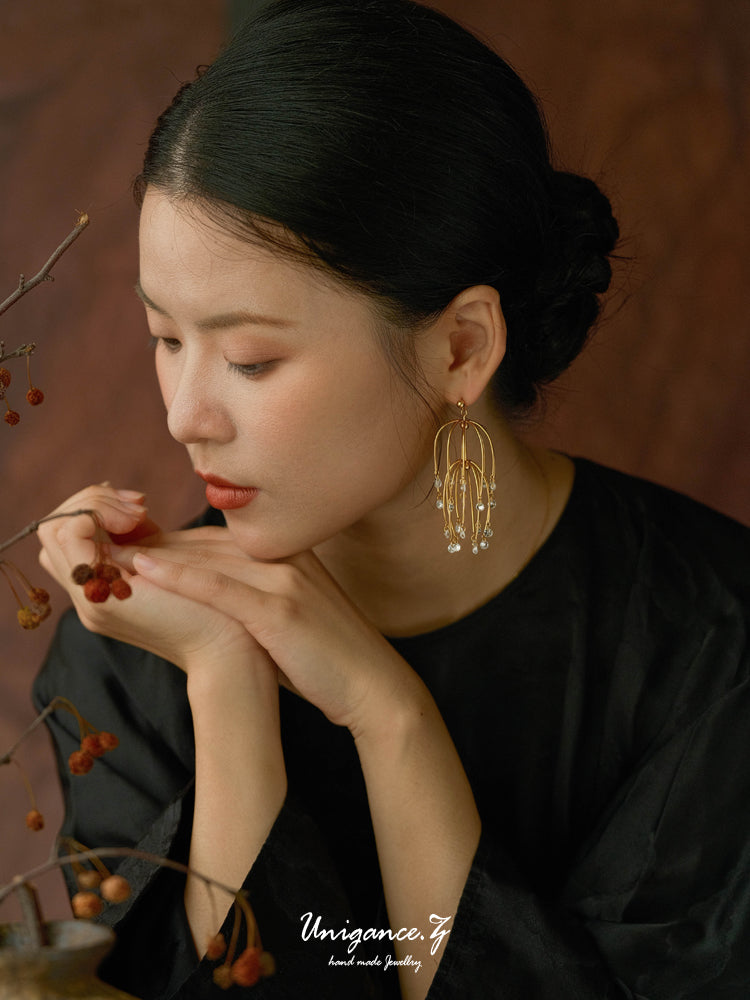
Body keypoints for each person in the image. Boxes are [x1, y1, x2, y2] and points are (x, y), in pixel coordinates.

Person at [33, 1, 750, 997]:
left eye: (249, 357)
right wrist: (227, 682)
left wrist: (388, 714)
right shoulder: (138, 646)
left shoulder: (712, 647)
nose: (185, 416)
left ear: (460, 346)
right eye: (165, 338)